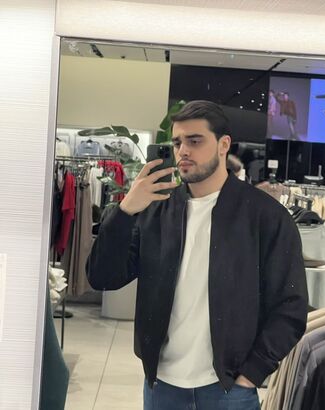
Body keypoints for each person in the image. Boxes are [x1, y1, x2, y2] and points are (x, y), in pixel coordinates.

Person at [86, 100, 308, 410]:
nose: (183, 151)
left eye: (195, 141)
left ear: (223, 145)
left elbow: (291, 306)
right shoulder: (157, 210)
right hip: (162, 387)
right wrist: (124, 211)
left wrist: (252, 372)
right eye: (178, 142)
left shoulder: (265, 216)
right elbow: (103, 277)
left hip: (229, 389)